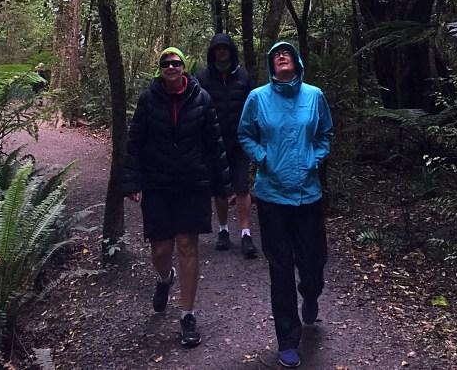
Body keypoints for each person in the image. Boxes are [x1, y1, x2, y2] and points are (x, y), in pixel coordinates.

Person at [123, 46, 231, 348]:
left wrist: (222, 185)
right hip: (157, 183)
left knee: (187, 244)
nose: (171, 67)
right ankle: (164, 277)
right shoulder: (148, 99)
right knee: (161, 248)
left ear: (183, 67)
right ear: (161, 70)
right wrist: (132, 180)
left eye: (175, 62)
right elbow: (135, 142)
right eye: (165, 63)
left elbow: (214, 144)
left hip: (192, 183)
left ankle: (187, 315)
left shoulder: (202, 99)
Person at [238, 41, 333, 370]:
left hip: (308, 194)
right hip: (272, 196)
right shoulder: (258, 98)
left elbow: (325, 134)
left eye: (287, 52)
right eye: (276, 54)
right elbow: (245, 135)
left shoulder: (314, 96)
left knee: (313, 262)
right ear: (271, 64)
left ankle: (311, 293)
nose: (281, 56)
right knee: (280, 269)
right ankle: (288, 340)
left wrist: (314, 158)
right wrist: (262, 157)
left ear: (297, 62)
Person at [196, 32, 258, 258]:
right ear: (212, 52)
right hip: (214, 143)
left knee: (242, 187)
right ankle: (223, 230)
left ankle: (245, 233)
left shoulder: (243, 77)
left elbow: (254, 107)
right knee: (220, 189)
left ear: (231, 51)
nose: (221, 51)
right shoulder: (203, 77)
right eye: (217, 48)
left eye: (225, 48)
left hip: (240, 142)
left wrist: (255, 135)